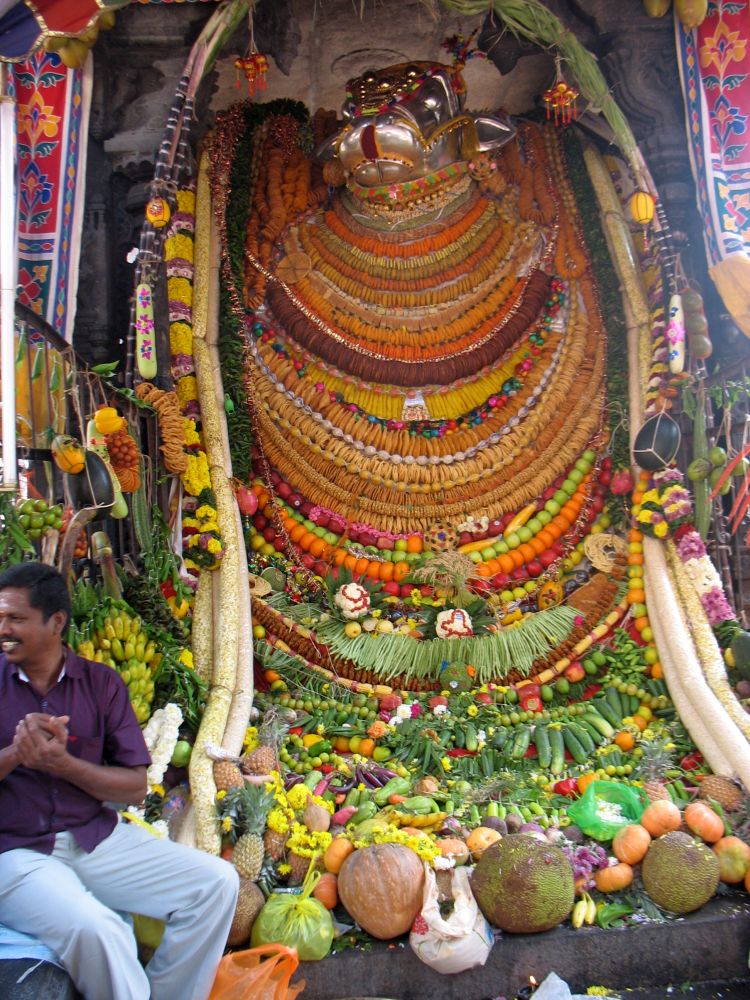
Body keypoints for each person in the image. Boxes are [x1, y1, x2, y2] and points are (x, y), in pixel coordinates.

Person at [0, 562, 239, 1000]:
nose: (3, 629)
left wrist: (63, 764)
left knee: (218, 883)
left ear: (56, 622)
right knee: (101, 930)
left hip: (95, 841)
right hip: (16, 854)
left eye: (15, 619)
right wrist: (17, 754)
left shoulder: (101, 685)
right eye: (0, 617)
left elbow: (133, 787)